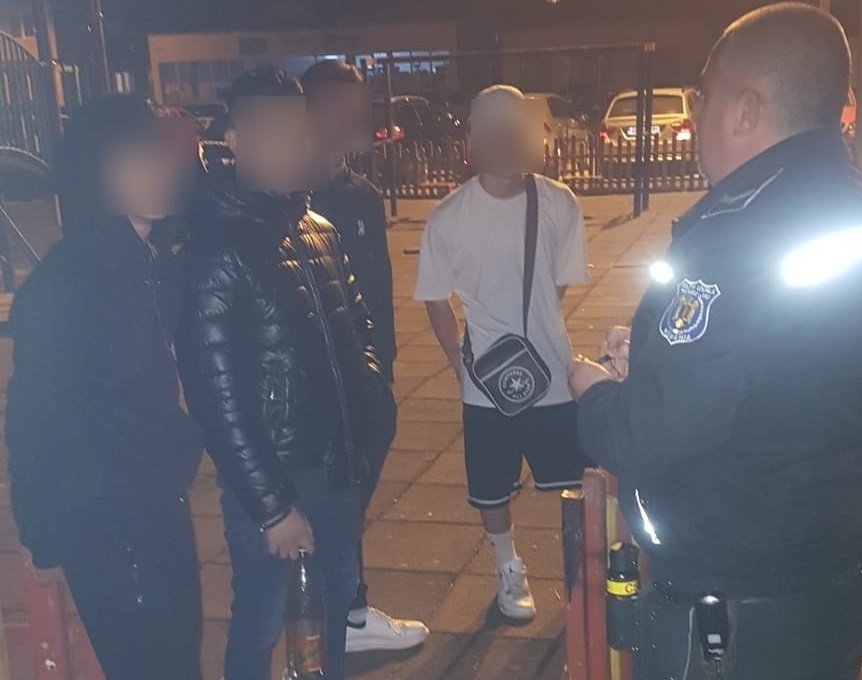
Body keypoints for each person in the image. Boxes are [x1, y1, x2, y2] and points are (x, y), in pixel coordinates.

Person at [568, 4, 862, 679]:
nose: (697, 115)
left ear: (745, 110)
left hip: (732, 611)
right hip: (830, 575)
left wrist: (593, 389)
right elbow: (797, 369)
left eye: (704, 96)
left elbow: (642, 434)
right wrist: (660, 362)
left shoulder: (738, 237)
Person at [176, 67, 396, 680]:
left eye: (299, 131)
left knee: (334, 600)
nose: (292, 147)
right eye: (272, 132)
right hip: (275, 474)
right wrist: (272, 507)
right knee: (263, 617)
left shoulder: (317, 228)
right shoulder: (216, 249)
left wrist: (372, 405)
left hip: (337, 464)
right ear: (235, 141)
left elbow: (360, 326)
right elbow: (216, 397)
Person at [5, 94, 204, 680]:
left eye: (157, 154)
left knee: (179, 659)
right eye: (135, 158)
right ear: (95, 174)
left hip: (158, 503)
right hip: (108, 520)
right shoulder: (66, 284)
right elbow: (34, 418)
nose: (158, 169)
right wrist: (41, 535)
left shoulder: (150, 263)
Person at [414, 85, 590, 621]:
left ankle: (582, 576)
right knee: (490, 487)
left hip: (553, 368)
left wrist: (536, 326)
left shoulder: (558, 202)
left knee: (574, 484)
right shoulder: (449, 216)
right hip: (484, 378)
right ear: (473, 139)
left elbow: (558, 283)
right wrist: (460, 365)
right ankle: (508, 566)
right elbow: (435, 299)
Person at [301, 59, 429, 653]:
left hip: (369, 373)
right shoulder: (289, 195)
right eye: (338, 109)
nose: (351, 123)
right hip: (316, 378)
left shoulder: (363, 195)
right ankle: (341, 614)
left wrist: (386, 363)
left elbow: (376, 287)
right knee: (330, 500)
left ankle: (344, 610)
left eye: (358, 110)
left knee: (350, 498)